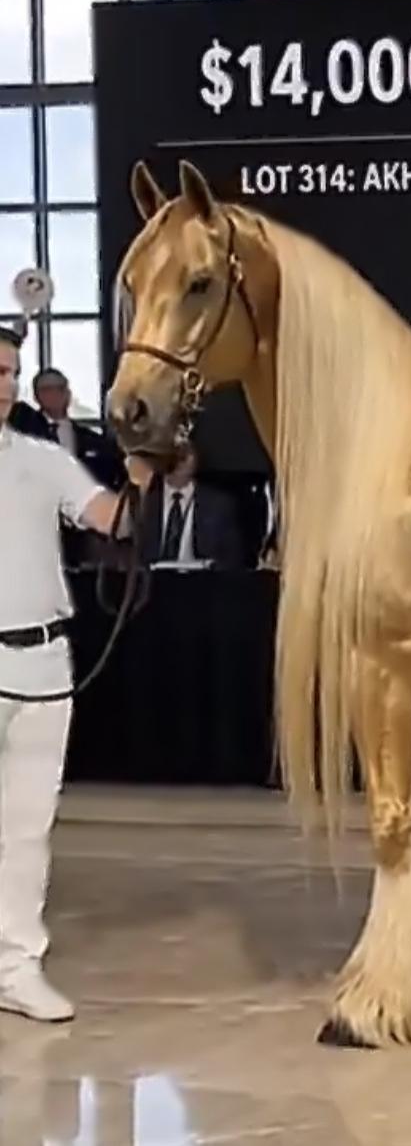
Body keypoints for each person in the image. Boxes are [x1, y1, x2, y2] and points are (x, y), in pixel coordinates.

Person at [0, 320, 150, 1022]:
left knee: (28, 825)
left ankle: (16, 966)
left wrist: (141, 475)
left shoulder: (42, 458)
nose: (2, 385)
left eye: (8, 373)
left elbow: (112, 519)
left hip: (44, 661)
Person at [140, 442, 245, 569]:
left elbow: (233, 560)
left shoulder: (220, 504)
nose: (181, 460)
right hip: (150, 578)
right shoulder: (142, 500)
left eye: (186, 452)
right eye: (175, 453)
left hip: (202, 578)